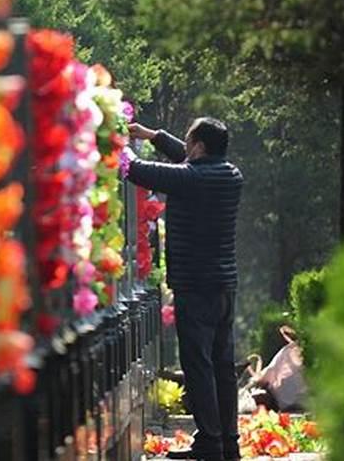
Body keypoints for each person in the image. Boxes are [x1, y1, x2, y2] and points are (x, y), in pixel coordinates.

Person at [124, 117, 244, 461]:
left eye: (190, 143)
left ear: (200, 147)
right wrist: (152, 135)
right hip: (224, 286)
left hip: (195, 286)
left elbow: (137, 170)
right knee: (222, 364)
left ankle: (209, 443)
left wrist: (111, 138)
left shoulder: (189, 178)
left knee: (199, 365)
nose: (186, 149)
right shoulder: (230, 175)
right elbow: (186, 157)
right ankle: (227, 443)